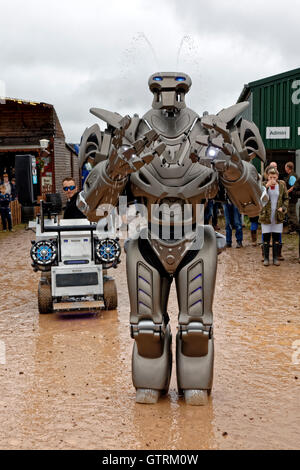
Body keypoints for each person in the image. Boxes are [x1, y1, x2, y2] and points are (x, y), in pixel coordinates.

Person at [77, 71, 266, 405]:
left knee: (196, 329)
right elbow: (92, 208)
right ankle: (152, 381)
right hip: (146, 240)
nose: (169, 97)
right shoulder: (128, 135)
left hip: (196, 239)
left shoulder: (213, 133)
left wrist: (233, 169)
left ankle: (195, 383)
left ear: (185, 91)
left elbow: (253, 206)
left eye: (176, 90)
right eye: (162, 90)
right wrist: (112, 171)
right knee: (147, 330)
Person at [259, 167, 288, 266]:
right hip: (266, 215)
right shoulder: (262, 185)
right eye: (270, 177)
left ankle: (275, 258)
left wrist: (283, 208)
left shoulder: (281, 186)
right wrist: (266, 187)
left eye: (274, 177)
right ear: (267, 176)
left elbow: (286, 198)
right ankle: (266, 258)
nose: (272, 179)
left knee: (276, 238)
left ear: (277, 177)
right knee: (266, 238)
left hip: (277, 216)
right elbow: (259, 197)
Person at [284, 162, 298, 233]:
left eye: (285, 167)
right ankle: (292, 229)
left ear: (288, 168)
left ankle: (295, 229)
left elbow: (293, 186)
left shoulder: (292, 176)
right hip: (291, 197)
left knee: (292, 213)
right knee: (290, 213)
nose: (284, 168)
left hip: (292, 198)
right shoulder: (290, 175)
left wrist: (287, 192)